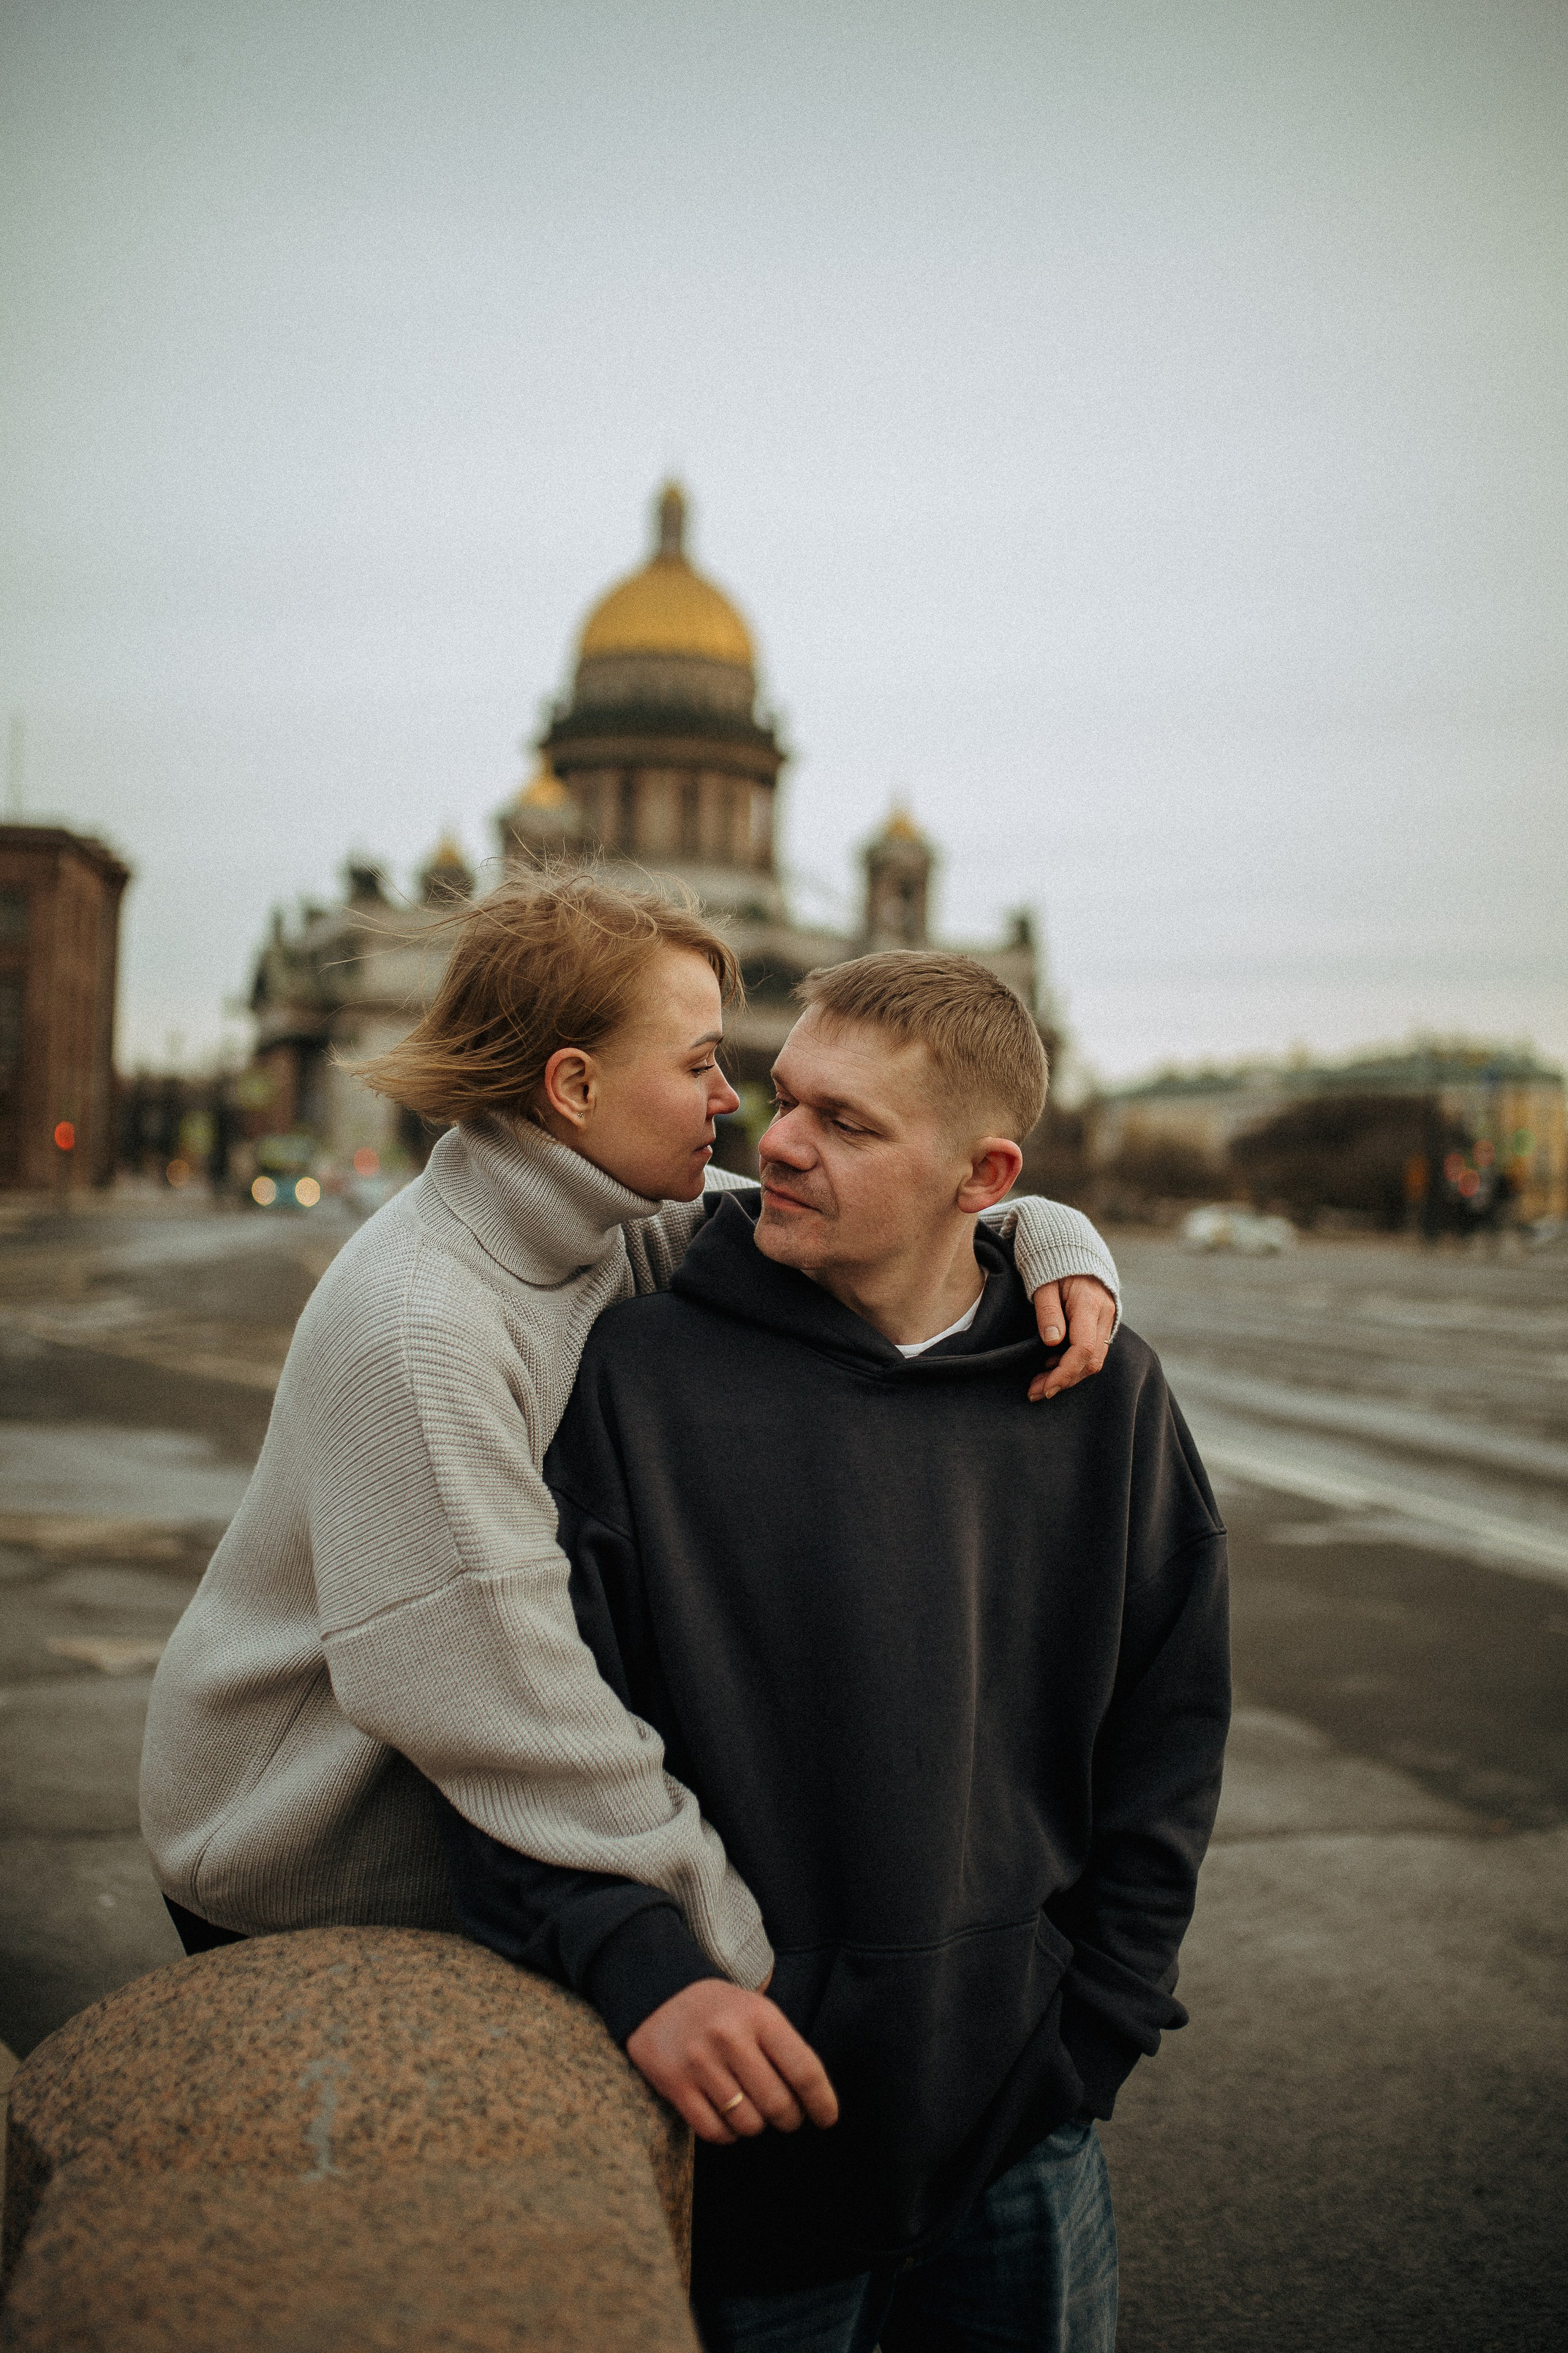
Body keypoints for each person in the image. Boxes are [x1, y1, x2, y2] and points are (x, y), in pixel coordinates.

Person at [440, 948, 1231, 2353]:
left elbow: (1165, 1731)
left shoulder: (1100, 1395)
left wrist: (1094, 2021)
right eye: (786, 1095)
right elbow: (526, 1729)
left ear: (983, 1178)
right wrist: (639, 1964)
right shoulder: (635, 1379)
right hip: (739, 2123)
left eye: (846, 1123)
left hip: (1019, 2132)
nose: (776, 1140)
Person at [140, 880, 1121, 1977]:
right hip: (301, 1869)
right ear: (574, 1085)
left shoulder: (602, 1216)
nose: (732, 1101)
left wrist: (1043, 1233)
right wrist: (734, 1952)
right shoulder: (423, 1326)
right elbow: (507, 1702)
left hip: (448, 1851)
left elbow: (884, 1216)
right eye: (701, 1062)